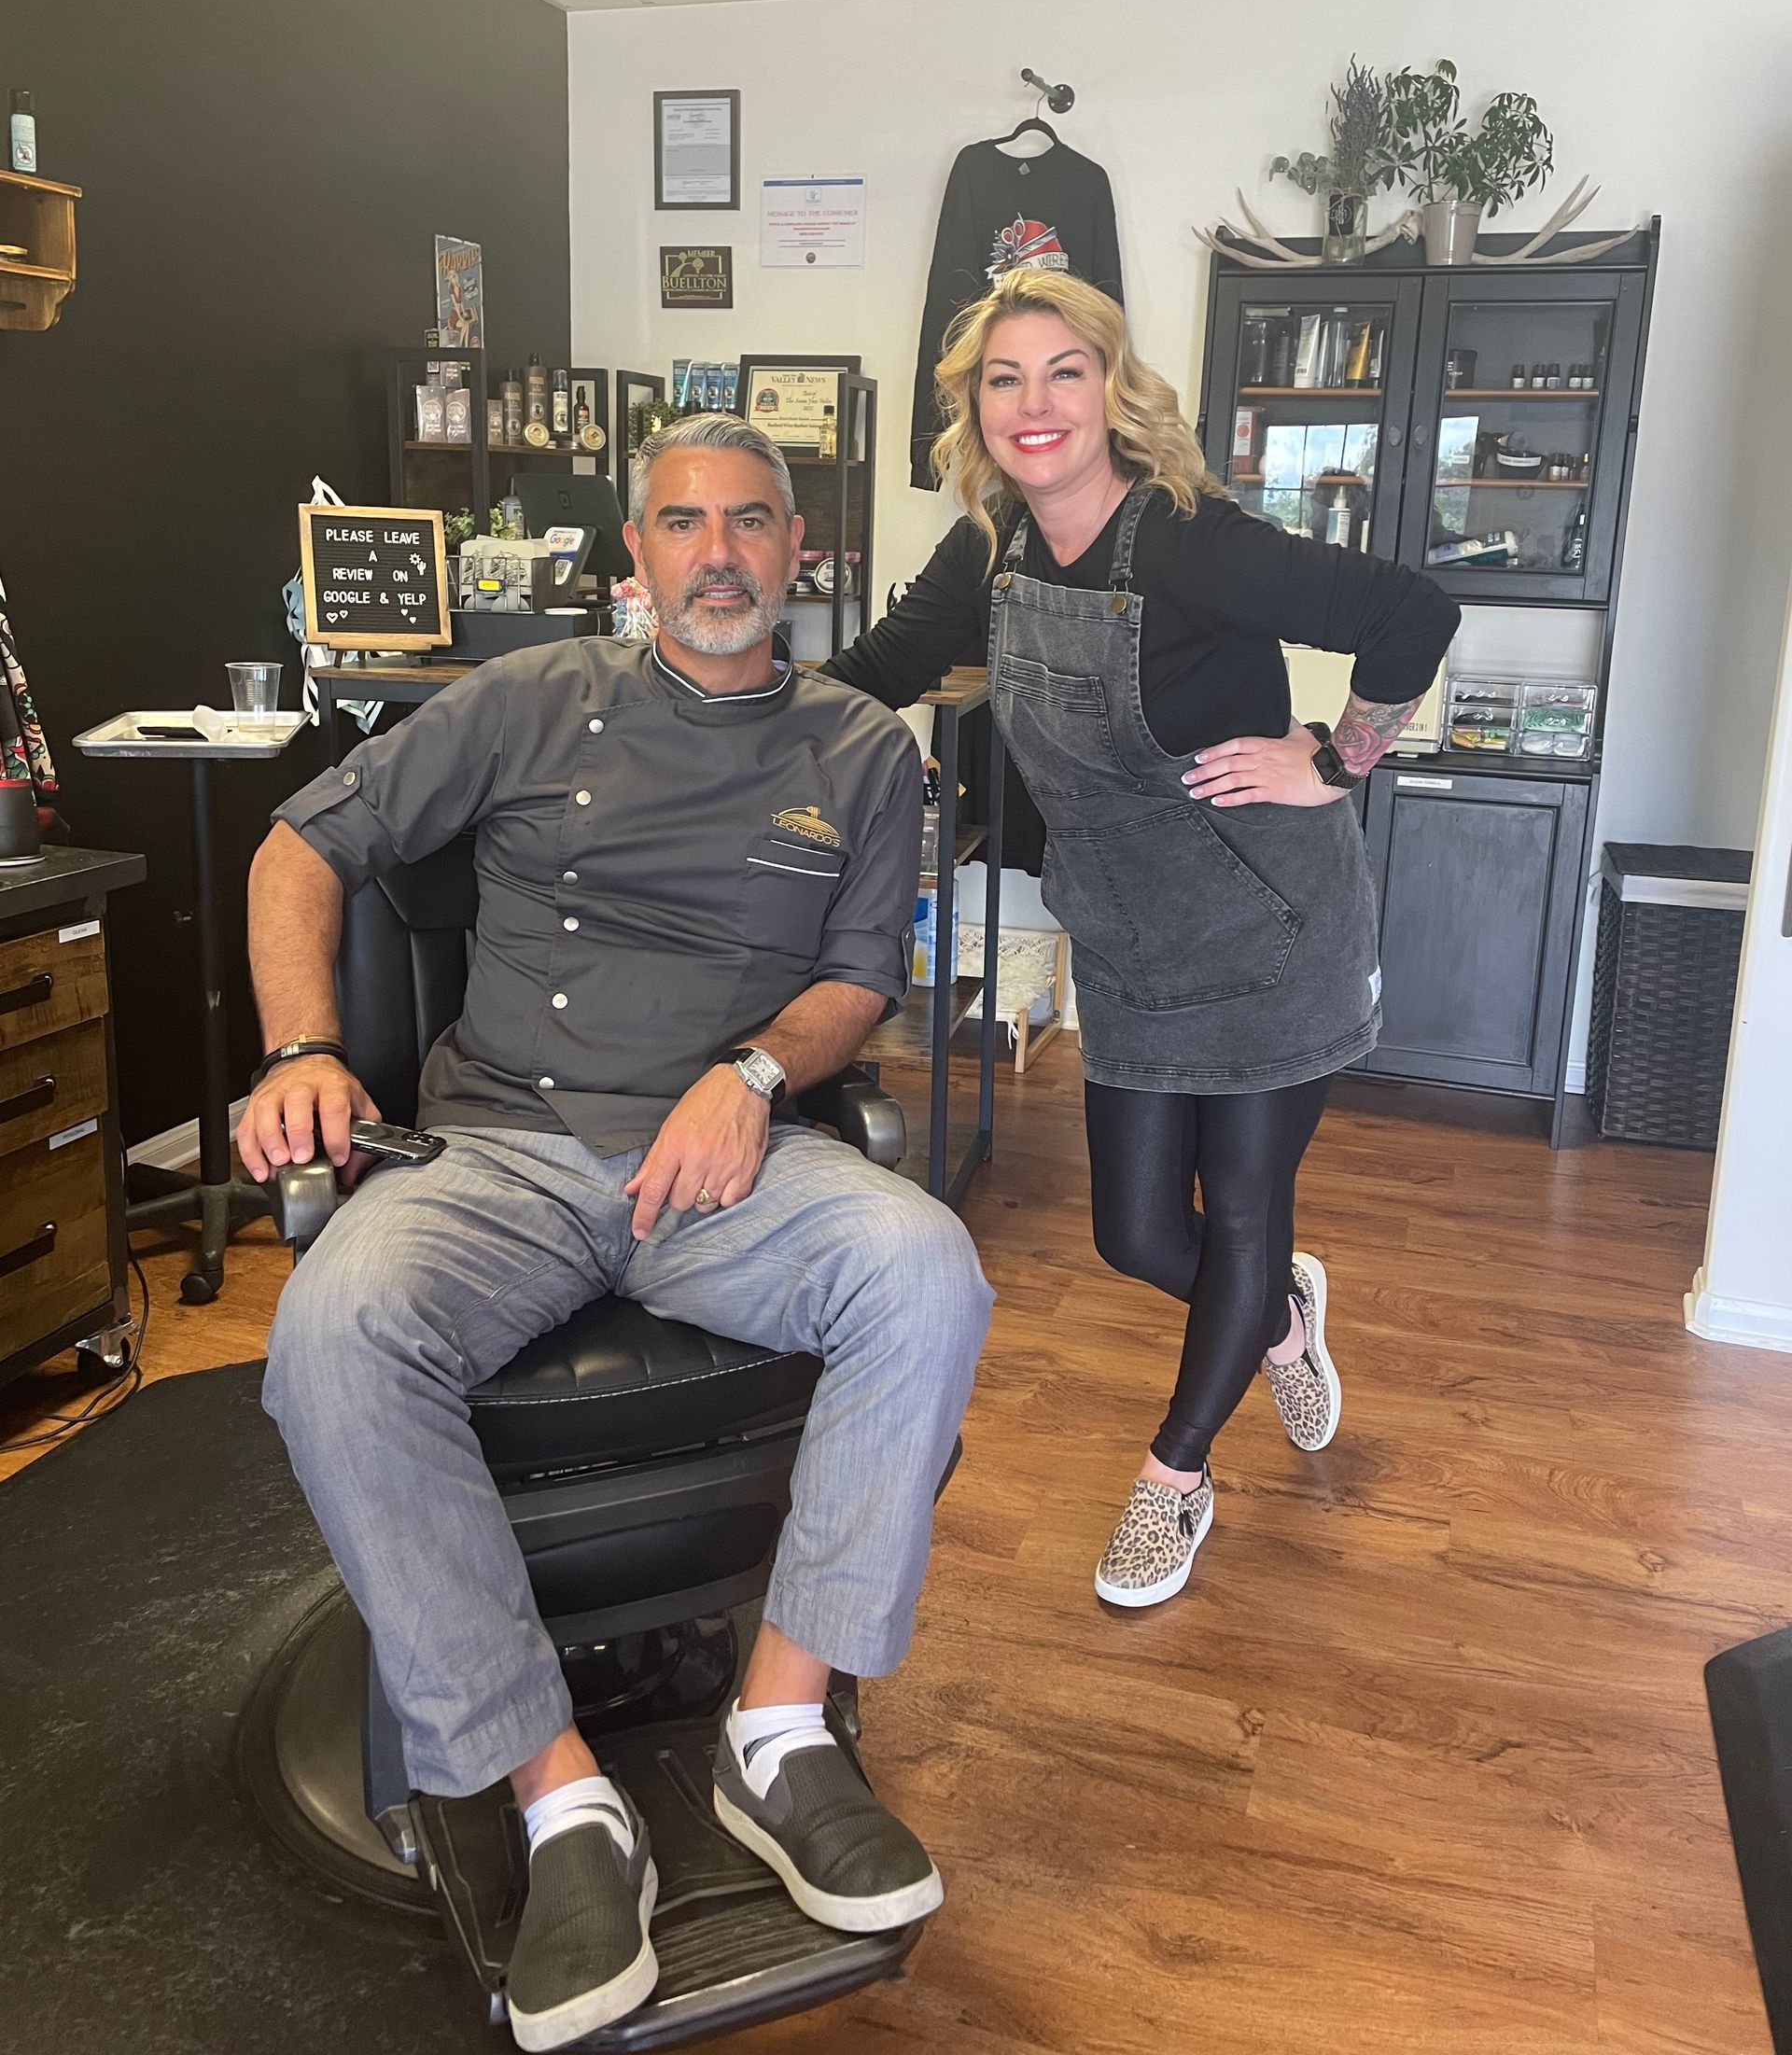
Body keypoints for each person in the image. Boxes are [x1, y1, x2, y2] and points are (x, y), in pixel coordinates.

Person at [238, 414, 992, 2051]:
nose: (717, 553)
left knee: (926, 1266)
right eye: (681, 524)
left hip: (724, 1172)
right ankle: (556, 1792)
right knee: (335, 1332)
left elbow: (860, 979)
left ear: (800, 554)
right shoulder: (525, 701)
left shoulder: (864, 748)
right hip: (498, 1154)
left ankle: (777, 1735)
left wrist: (751, 1070)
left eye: (749, 524)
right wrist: (304, 1049)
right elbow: (301, 844)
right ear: (633, 556)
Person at [826, 270, 1458, 1611]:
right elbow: (871, 676)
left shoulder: (1185, 537)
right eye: (1007, 379)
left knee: (1237, 1213)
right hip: (1128, 934)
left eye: (1067, 372)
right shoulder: (985, 554)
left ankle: (1175, 1479)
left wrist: (1339, 763)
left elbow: (1413, 614)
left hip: (1271, 917)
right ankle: (1282, 1313)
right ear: (975, 410)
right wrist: (701, 718)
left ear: (1113, 391)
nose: (1036, 403)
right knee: (1129, 1233)